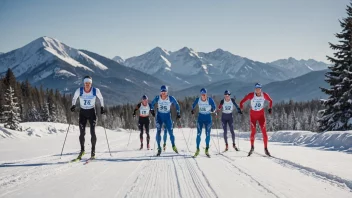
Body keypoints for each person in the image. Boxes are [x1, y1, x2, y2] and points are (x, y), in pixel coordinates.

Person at [71, 76, 105, 160]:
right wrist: (73, 105)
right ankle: (82, 150)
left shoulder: (95, 90)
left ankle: (93, 151)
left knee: (92, 132)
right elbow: (74, 98)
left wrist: (102, 107)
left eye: (89, 83)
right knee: (82, 133)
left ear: (91, 84)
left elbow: (101, 98)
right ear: (84, 83)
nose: (87, 85)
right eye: (86, 83)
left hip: (91, 113)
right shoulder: (79, 90)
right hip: (82, 113)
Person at [239, 83, 273, 156]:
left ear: (261, 89)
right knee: (253, 131)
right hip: (253, 115)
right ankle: (252, 147)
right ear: (255, 89)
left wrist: (270, 108)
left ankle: (266, 148)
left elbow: (271, 101)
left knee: (264, 130)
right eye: (256, 89)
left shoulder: (264, 95)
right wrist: (241, 108)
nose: (257, 90)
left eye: (259, 88)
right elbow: (242, 102)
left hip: (261, 115)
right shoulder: (251, 95)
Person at [150, 85, 181, 156]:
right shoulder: (157, 98)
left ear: (167, 92)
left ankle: (173, 146)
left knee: (170, 132)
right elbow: (152, 104)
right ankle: (159, 148)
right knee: (158, 132)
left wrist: (178, 113)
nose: (163, 93)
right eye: (162, 91)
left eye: (164, 91)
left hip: (167, 117)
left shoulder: (171, 98)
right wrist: (151, 110)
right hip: (159, 117)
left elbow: (177, 105)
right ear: (160, 92)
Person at [191, 88, 216, 157]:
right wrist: (192, 110)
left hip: (208, 119)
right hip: (200, 119)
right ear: (201, 95)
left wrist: (213, 109)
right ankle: (197, 149)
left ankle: (207, 149)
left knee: (207, 134)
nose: (203, 96)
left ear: (206, 94)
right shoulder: (198, 100)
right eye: (202, 94)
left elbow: (214, 107)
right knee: (198, 134)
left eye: (204, 94)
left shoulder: (209, 99)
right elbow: (193, 105)